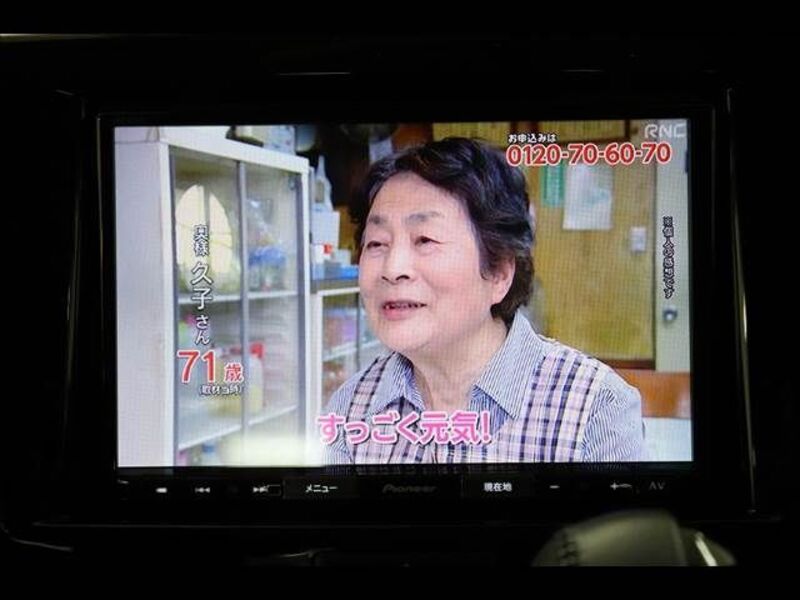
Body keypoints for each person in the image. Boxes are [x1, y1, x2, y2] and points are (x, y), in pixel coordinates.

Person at [320, 137, 645, 464]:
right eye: (376, 243)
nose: (393, 269)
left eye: (425, 239)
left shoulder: (594, 410)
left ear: (499, 273)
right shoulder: (350, 406)